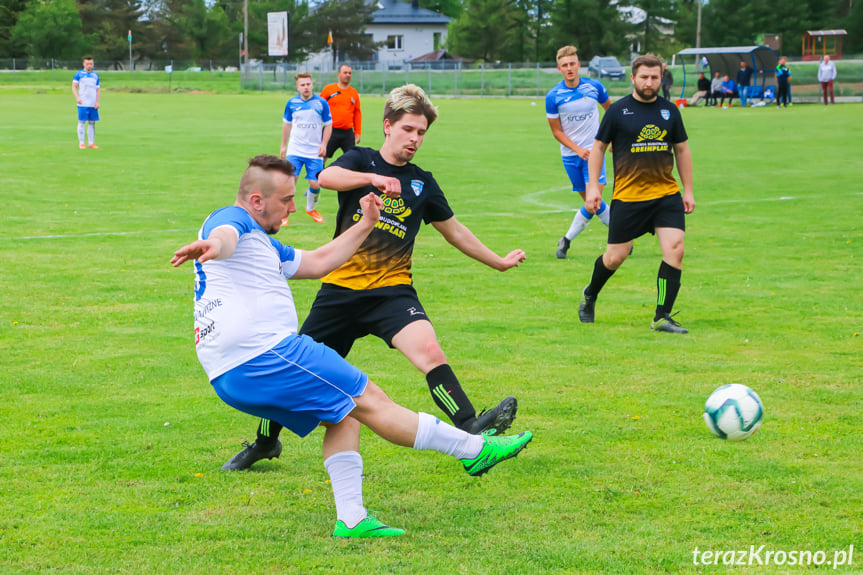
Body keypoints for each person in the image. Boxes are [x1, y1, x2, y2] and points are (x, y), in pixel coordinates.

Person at [171, 155, 533, 538]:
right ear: (256, 201)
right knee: (371, 399)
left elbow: (318, 261)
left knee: (342, 415)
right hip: (265, 354)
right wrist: (214, 244)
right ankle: (474, 450)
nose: (295, 207)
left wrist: (366, 224)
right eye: (287, 200)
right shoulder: (232, 221)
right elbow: (224, 237)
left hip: (227, 370)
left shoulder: (263, 244)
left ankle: (352, 519)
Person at [222, 84, 527, 471]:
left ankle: (472, 432)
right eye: (408, 130)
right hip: (340, 292)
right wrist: (372, 179)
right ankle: (265, 444)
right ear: (388, 126)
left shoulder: (423, 183)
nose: (415, 139)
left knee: (430, 352)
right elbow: (325, 176)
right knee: (292, 373)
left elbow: (455, 231)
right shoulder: (360, 159)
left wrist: (497, 261)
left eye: (421, 133)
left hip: (391, 293)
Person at [577, 54, 695, 334]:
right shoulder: (617, 111)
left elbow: (682, 150)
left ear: (661, 78)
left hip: (665, 194)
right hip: (629, 197)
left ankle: (662, 316)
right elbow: (598, 149)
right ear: (633, 78)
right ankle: (590, 293)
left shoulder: (670, 111)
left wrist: (688, 190)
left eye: (655, 77)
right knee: (616, 256)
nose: (649, 82)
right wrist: (593, 186)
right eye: (644, 77)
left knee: (675, 249)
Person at [545, 45, 612, 260]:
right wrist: (577, 150)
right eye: (565, 65)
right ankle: (623, 237)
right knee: (593, 206)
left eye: (572, 63)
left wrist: (610, 138)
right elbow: (556, 131)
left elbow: (612, 112)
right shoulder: (553, 96)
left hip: (595, 154)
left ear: (579, 65)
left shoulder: (594, 87)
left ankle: (566, 241)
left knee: (593, 201)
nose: (569, 68)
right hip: (571, 156)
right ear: (559, 69)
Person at [280, 72, 332, 224]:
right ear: (297, 87)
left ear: (312, 85)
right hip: (295, 150)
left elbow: (328, 125)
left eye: (308, 84)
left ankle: (310, 209)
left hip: (314, 151)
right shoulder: (291, 103)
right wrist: (283, 145)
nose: (306, 87)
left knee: (315, 184)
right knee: (290, 182)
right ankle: (284, 213)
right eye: (302, 85)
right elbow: (287, 124)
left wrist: (324, 144)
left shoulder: (321, 103)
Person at [320, 64, 362, 160]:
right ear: (338, 75)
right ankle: (318, 175)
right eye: (345, 73)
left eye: (350, 73)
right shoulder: (329, 89)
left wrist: (357, 132)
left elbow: (357, 113)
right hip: (331, 131)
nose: (348, 75)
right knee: (322, 157)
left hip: (347, 133)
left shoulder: (354, 92)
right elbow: (318, 107)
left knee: (353, 159)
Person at [72, 57, 100, 149]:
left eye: (91, 63)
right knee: (82, 122)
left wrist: (97, 102)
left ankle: (91, 143)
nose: (89, 65)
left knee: (92, 123)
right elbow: (74, 87)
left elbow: (98, 90)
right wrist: (77, 98)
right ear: (84, 64)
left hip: (92, 104)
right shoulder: (79, 74)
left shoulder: (95, 76)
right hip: (83, 103)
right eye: (87, 63)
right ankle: (81, 143)